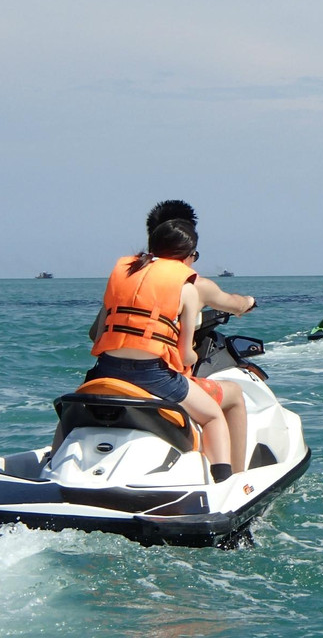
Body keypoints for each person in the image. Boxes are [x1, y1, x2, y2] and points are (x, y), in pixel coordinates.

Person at [88, 199, 251, 473]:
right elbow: (192, 348)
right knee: (227, 403)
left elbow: (96, 334)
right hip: (155, 376)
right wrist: (247, 302)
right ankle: (230, 479)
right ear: (188, 249)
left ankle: (52, 463)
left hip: (105, 372)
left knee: (72, 409)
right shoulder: (192, 285)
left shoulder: (126, 275)